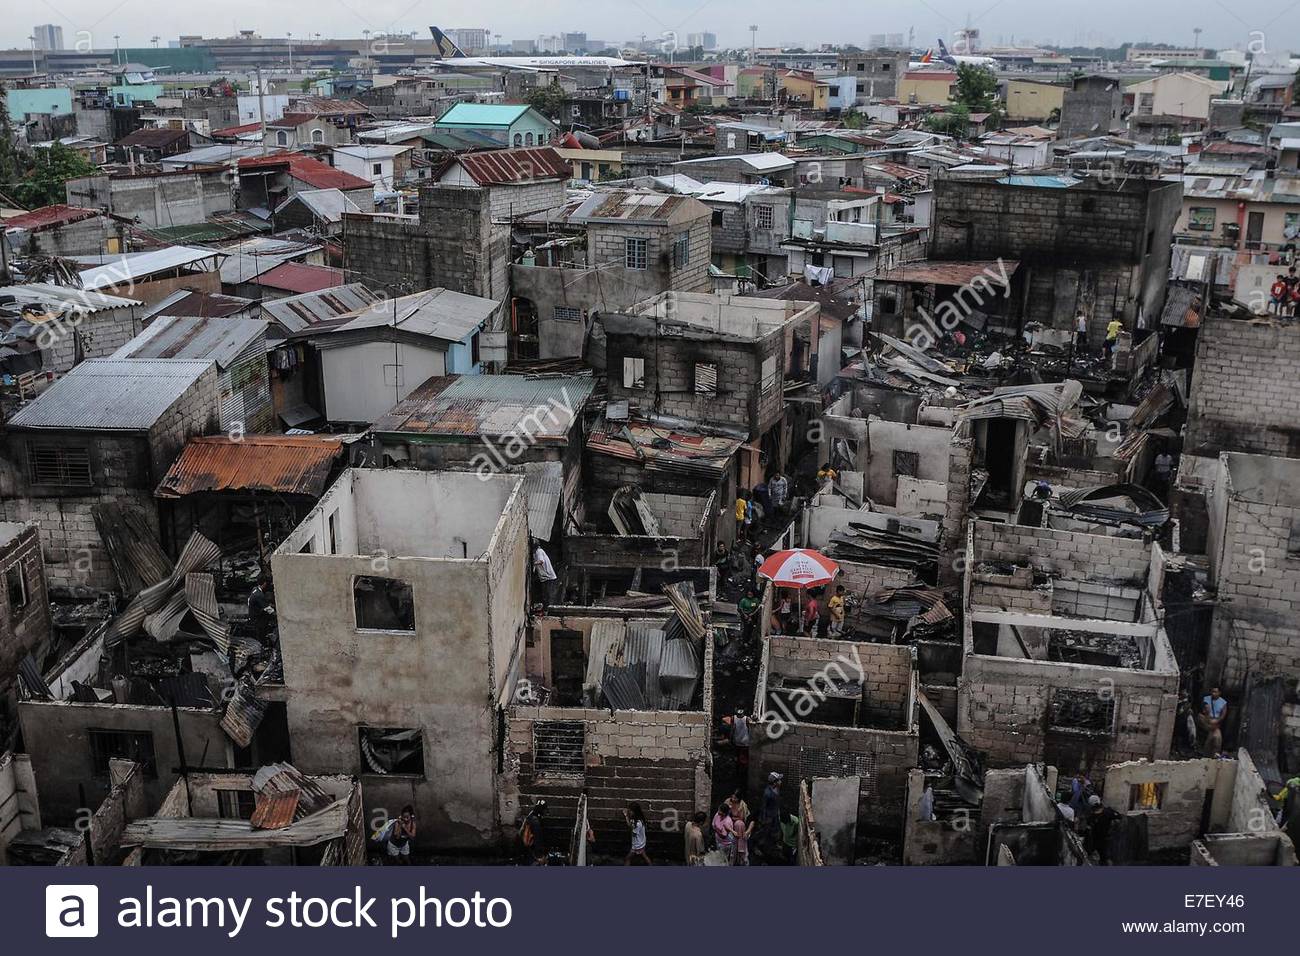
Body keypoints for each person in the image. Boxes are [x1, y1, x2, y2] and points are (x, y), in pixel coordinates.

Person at [1086, 795, 1121, 865]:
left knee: (1101, 859)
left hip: (1097, 842)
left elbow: (1088, 831)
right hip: (1108, 840)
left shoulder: (1091, 818)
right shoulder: (1108, 812)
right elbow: (1119, 817)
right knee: (1106, 859)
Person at [758, 771, 783, 860]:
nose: (781, 782)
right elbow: (763, 807)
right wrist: (764, 819)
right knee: (765, 834)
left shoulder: (776, 789)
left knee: (775, 832)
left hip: (775, 815)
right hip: (769, 817)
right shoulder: (768, 793)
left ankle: (773, 847)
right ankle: (761, 850)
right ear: (775, 782)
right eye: (779, 780)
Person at [1198, 687, 1228, 756]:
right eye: (1212, 691)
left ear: (1219, 693)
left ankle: (1211, 753)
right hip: (1206, 718)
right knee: (1214, 731)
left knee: (1215, 735)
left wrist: (1217, 721)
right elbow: (1203, 709)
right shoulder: (1206, 698)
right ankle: (1212, 753)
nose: (1213, 693)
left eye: (1215, 692)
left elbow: (1223, 715)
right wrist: (1207, 716)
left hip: (1216, 721)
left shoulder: (1223, 702)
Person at [247, 574, 276, 642]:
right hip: (257, 620)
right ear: (265, 583)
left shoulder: (255, 589)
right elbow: (269, 610)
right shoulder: (259, 595)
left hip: (253, 615)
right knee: (263, 633)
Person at [520, 800, 547, 864]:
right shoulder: (536, 821)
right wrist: (539, 856)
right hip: (532, 850)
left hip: (526, 848)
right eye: (544, 810)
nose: (545, 812)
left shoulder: (530, 816)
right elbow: (538, 838)